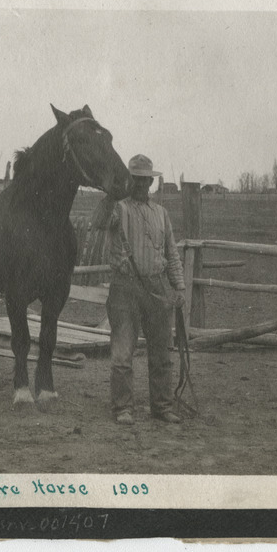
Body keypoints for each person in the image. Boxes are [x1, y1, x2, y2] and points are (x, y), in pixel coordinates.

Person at [102, 155, 184, 427]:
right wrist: (109, 195)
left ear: (151, 181)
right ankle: (123, 408)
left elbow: (171, 252)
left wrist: (179, 286)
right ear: (130, 180)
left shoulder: (161, 213)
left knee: (161, 353)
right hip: (125, 289)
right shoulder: (119, 209)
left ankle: (161, 406)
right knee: (123, 354)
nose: (140, 184)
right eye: (135, 179)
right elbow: (100, 221)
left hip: (157, 288)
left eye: (144, 179)